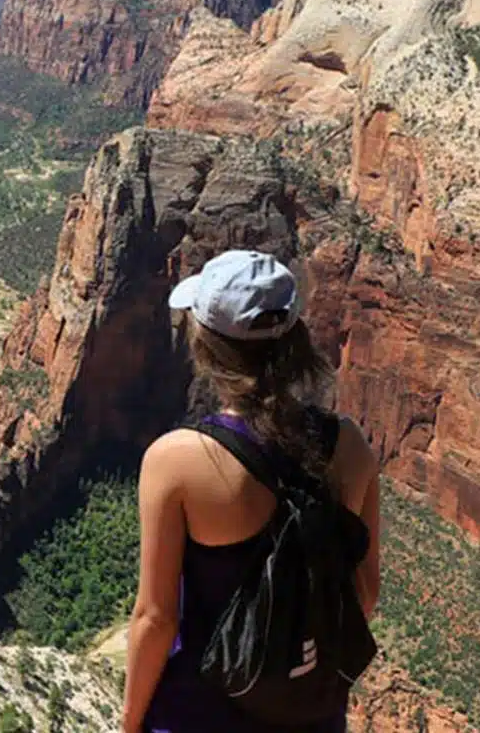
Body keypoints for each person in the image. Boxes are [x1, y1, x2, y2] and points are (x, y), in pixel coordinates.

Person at [121, 250, 382, 733]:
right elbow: (364, 594)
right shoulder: (351, 445)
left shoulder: (176, 459)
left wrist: (129, 724)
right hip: (312, 716)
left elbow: (155, 620)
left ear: (207, 346)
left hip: (199, 715)